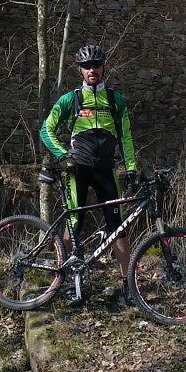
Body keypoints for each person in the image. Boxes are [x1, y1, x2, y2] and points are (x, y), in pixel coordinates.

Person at [40, 44, 137, 306]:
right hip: (78, 170)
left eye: (96, 64)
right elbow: (46, 129)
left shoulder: (116, 100)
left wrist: (131, 168)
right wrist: (64, 156)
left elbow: (125, 136)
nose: (91, 69)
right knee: (74, 225)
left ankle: (129, 285)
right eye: (86, 66)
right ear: (79, 69)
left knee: (118, 228)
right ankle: (71, 282)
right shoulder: (70, 100)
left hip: (106, 170)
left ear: (104, 66)